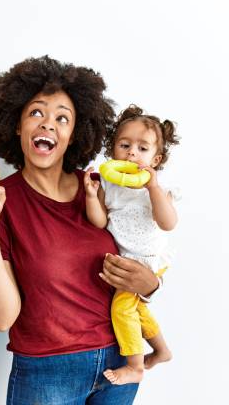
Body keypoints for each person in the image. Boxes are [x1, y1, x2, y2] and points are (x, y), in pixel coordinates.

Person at [0, 56, 160, 404]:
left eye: (62, 118)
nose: (49, 125)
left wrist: (151, 285)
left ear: (74, 134)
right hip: (46, 373)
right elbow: (0, 317)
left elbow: (145, 243)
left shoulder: (101, 187)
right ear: (18, 126)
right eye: (37, 113)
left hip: (119, 363)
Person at [84, 105, 180, 385]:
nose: (132, 153)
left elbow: (168, 223)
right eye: (124, 145)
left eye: (142, 148)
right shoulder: (109, 185)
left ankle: (135, 365)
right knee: (137, 309)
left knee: (121, 309)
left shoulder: (157, 190)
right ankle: (161, 350)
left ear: (156, 158)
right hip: (127, 260)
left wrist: (153, 189)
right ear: (112, 151)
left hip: (149, 259)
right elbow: (99, 221)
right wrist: (92, 196)